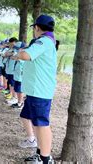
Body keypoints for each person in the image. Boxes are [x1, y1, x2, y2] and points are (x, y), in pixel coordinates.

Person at [14, 14, 57, 163]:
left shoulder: (44, 41)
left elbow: (25, 55)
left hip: (40, 90)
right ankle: (40, 153)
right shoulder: (44, 41)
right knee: (37, 123)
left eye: (34, 28)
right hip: (35, 90)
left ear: (37, 28)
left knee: (42, 124)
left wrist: (17, 53)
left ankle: (46, 158)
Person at [4, 37, 18, 103]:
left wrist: (11, 54)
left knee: (13, 84)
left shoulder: (17, 49)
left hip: (14, 70)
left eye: (11, 43)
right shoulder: (11, 49)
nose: (10, 44)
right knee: (10, 83)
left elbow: (13, 56)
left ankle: (14, 97)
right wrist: (10, 53)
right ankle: (11, 95)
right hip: (9, 69)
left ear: (15, 42)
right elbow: (6, 54)